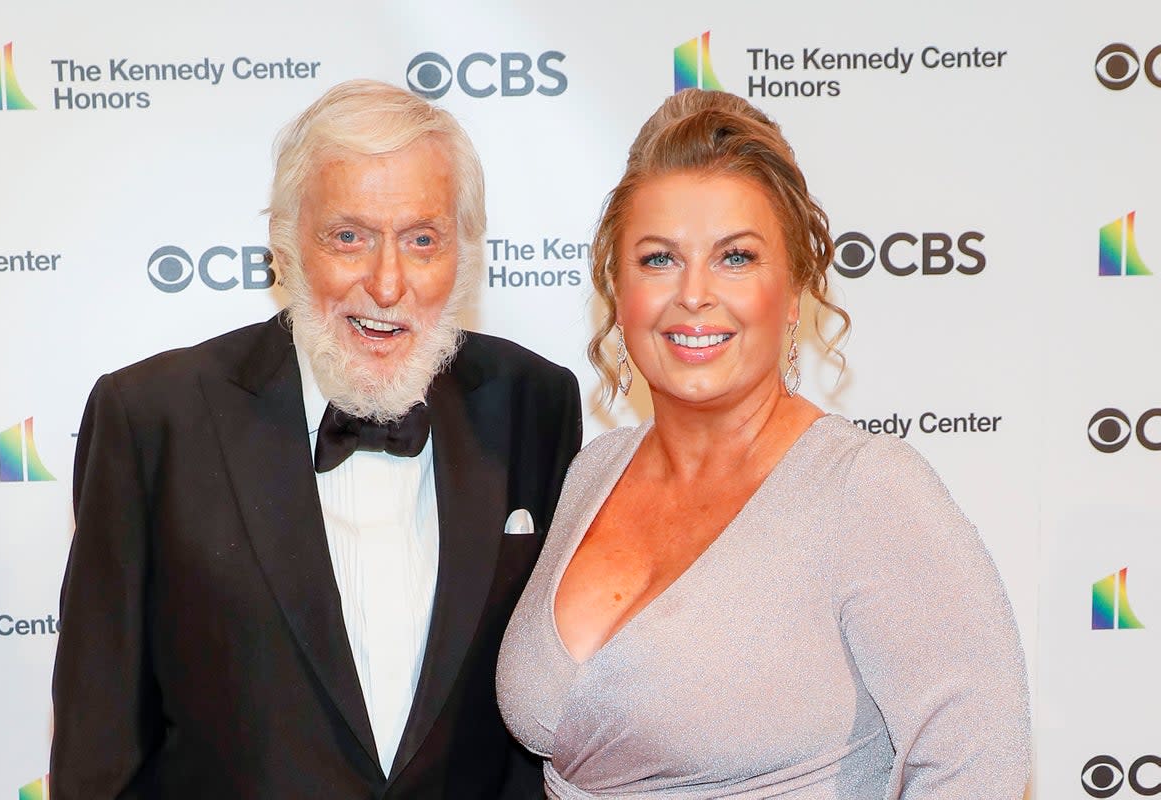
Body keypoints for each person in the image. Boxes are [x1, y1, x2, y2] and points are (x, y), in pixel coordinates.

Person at [51, 79, 581, 799]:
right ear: (285, 242)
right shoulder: (152, 419)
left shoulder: (533, 403)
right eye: (349, 237)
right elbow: (98, 748)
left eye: (422, 240)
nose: (387, 282)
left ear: (462, 252)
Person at [497, 89, 1030, 799]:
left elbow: (978, 768)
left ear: (796, 288)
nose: (693, 293)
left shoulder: (866, 490)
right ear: (615, 288)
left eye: (736, 258)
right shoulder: (593, 472)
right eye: (658, 259)